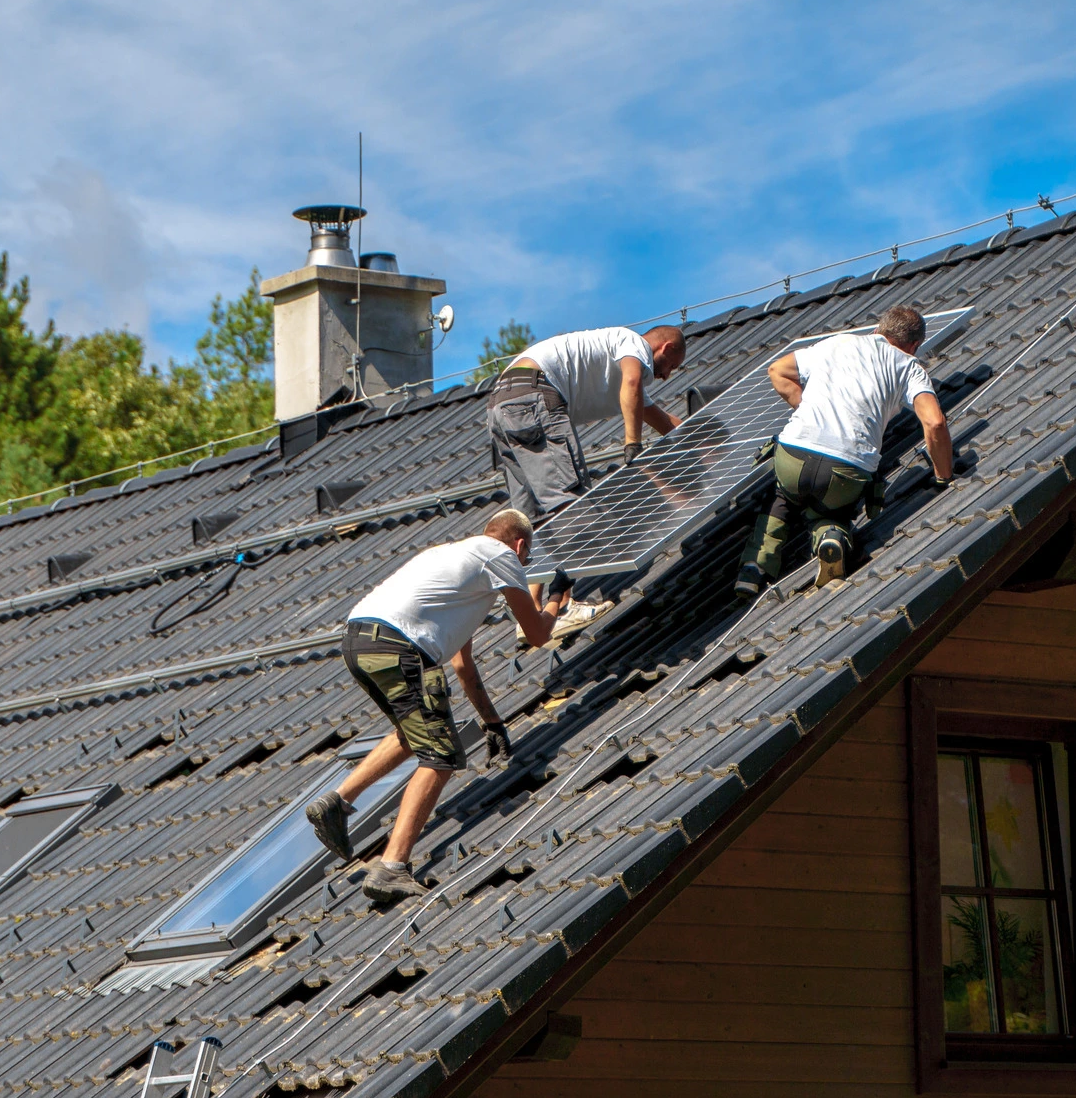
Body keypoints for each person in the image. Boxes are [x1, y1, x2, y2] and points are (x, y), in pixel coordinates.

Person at [307, 509, 569, 903]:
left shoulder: (455, 565)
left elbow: (462, 664)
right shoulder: (500, 557)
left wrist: (492, 722)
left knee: (415, 733)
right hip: (399, 646)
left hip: (359, 640)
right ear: (519, 545)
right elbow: (534, 634)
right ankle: (392, 867)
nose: (523, 567)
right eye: (526, 559)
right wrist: (554, 601)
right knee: (442, 755)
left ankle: (337, 801)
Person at [733, 305, 954, 600]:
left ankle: (754, 568)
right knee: (832, 510)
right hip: (845, 471)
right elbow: (934, 421)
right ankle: (832, 536)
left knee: (783, 497)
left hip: (793, 456)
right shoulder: (909, 366)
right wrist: (943, 476)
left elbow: (777, 370)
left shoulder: (838, 342)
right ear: (914, 346)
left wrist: (809, 411)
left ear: (877, 329)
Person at [486, 324, 687, 521]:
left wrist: (703, 443)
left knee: (532, 518)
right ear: (666, 347)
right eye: (672, 365)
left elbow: (664, 422)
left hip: (500, 403)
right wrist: (633, 443)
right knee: (571, 501)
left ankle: (544, 553)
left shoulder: (625, 383)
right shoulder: (633, 342)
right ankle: (588, 549)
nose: (666, 376)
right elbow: (632, 382)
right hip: (533, 395)